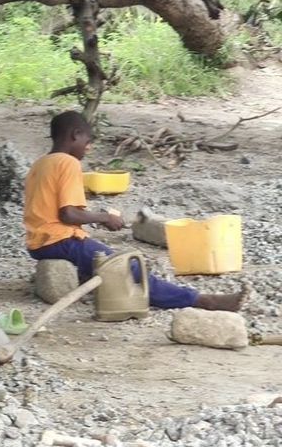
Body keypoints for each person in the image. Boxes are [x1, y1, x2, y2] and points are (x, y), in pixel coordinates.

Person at [25, 110, 243, 311]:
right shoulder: (68, 163)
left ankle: (88, 280)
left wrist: (101, 219)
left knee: (97, 256)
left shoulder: (40, 164)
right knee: (127, 265)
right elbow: (68, 214)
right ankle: (200, 300)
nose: (88, 148)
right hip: (59, 241)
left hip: (38, 244)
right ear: (75, 135)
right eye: (88, 141)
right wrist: (105, 217)